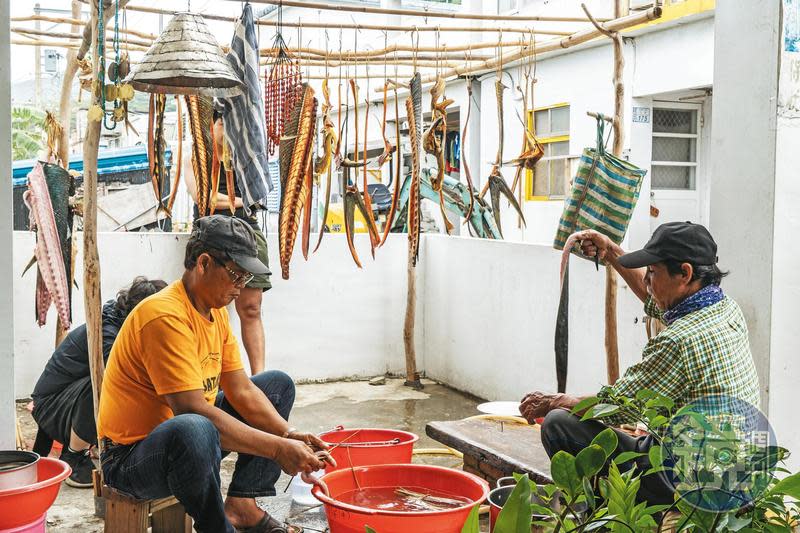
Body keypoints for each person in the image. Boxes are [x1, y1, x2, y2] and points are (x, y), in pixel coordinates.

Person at [97, 216, 329, 533]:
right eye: (235, 275)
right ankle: (216, 527)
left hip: (187, 440)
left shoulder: (214, 312)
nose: (241, 287)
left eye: (246, 278)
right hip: (130, 458)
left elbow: (242, 390)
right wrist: (276, 449)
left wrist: (288, 435)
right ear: (204, 263)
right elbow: (191, 409)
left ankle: (243, 506)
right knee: (196, 425)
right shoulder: (164, 316)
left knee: (276, 386)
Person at [521, 221, 760, 504]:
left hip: (693, 482)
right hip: (736, 470)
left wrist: (555, 401)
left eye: (653, 272)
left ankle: (607, 516)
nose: (647, 280)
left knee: (559, 424)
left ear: (684, 273)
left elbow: (618, 407)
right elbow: (653, 299)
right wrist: (610, 251)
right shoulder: (723, 307)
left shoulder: (679, 340)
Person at [31, 276, 167, 488]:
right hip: (51, 406)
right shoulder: (106, 330)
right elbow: (128, 377)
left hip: (68, 402)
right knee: (110, 381)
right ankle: (73, 456)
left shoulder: (125, 325)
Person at [184, 110, 270, 375]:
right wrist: (243, 202)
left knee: (251, 308)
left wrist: (244, 202)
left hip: (247, 232)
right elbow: (204, 197)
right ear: (211, 126)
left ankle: (259, 377)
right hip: (211, 236)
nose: (227, 129)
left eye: (232, 124)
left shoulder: (245, 158)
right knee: (201, 308)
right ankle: (204, 373)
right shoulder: (196, 157)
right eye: (222, 123)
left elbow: (262, 191)